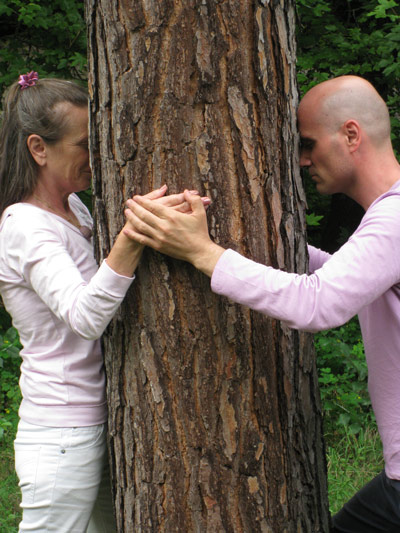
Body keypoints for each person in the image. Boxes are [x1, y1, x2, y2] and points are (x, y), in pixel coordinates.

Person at [123, 75, 400, 532]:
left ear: (351, 135)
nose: (303, 159)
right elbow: (341, 275)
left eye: (308, 144)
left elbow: (319, 304)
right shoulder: (387, 218)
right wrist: (252, 243)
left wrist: (203, 253)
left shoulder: (392, 219)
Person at [0, 72, 209, 532]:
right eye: (83, 145)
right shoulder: (24, 225)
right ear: (39, 149)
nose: (96, 157)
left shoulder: (74, 209)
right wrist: (134, 236)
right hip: (61, 432)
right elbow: (83, 316)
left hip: (99, 418)